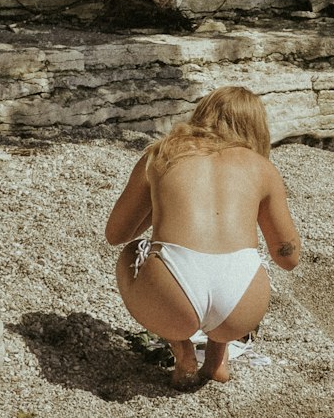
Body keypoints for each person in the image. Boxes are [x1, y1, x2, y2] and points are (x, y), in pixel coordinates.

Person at [105, 86, 301, 387]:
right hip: (240, 305)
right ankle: (216, 361)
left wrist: (158, 203)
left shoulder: (162, 153)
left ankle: (183, 353)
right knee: (244, 257)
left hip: (171, 298)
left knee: (131, 254)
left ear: (202, 114)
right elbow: (288, 259)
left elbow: (117, 234)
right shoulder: (263, 169)